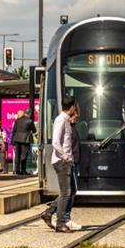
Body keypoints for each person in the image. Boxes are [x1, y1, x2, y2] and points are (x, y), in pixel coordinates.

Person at [41, 95, 80, 233]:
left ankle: (49, 213)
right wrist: (65, 157)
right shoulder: (60, 120)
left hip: (67, 161)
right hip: (62, 161)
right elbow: (56, 142)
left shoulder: (66, 120)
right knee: (66, 192)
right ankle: (60, 223)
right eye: (74, 106)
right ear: (71, 107)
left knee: (72, 190)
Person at [11, 109, 36, 175]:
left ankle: (17, 170)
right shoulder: (29, 121)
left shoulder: (17, 120)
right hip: (25, 140)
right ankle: (23, 170)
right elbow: (34, 130)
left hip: (17, 139)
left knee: (17, 155)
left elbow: (14, 131)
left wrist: (12, 141)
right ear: (29, 114)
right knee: (24, 155)